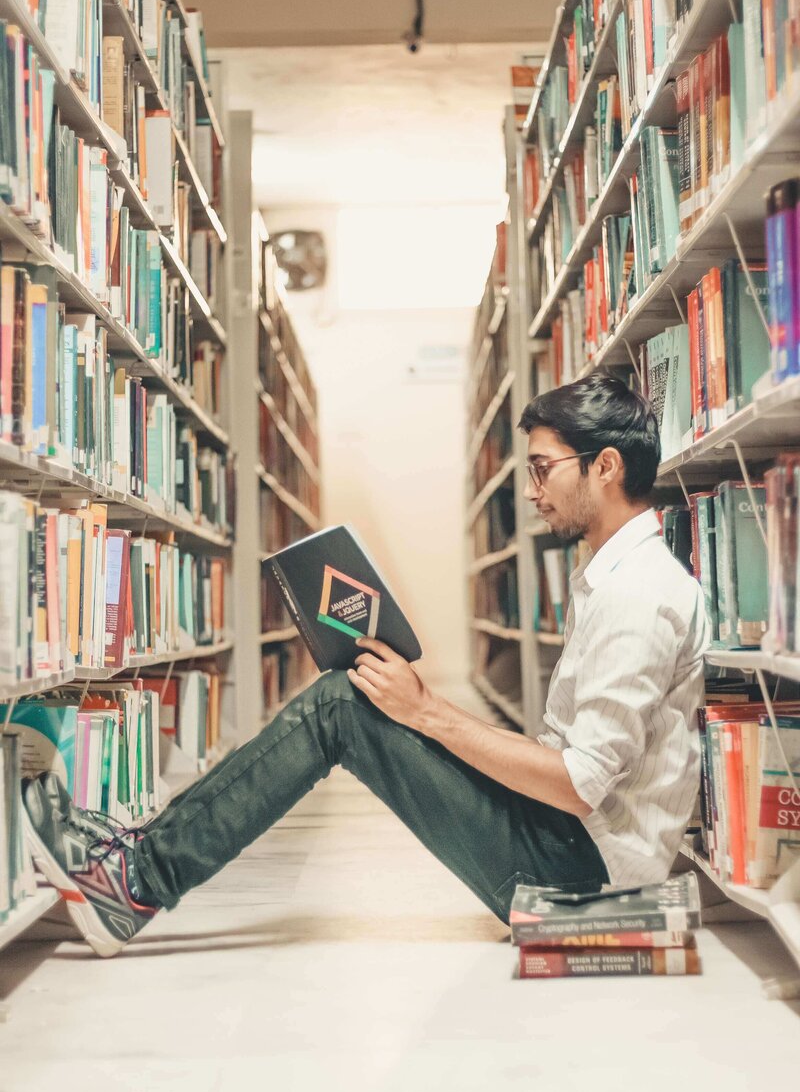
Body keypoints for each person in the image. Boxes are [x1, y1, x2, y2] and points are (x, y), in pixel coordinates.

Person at [23, 372, 709, 958]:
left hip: (576, 876)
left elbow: (579, 786)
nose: (530, 489)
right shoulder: (614, 576)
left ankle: (136, 879)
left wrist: (428, 712)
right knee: (355, 696)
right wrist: (427, 715)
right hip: (564, 839)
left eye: (542, 467)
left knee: (341, 708)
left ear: (607, 466)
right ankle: (138, 857)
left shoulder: (638, 597)